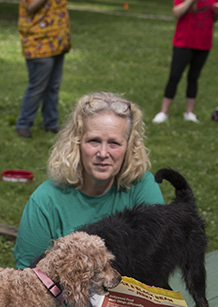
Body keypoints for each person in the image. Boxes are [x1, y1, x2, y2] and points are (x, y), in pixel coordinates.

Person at [13, 91, 164, 270]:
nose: (102, 153)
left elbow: (159, 259)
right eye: (94, 141)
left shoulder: (143, 186)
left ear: (128, 148)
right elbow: (27, 277)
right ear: (76, 143)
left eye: (114, 143)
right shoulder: (45, 201)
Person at [152, 0, 218, 124]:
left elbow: (213, 19)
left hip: (203, 44)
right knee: (174, 76)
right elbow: (176, 13)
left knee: (194, 77)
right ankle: (163, 112)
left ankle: (189, 113)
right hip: (183, 43)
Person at [15, 0, 71, 139]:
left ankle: (51, 123)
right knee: (37, 86)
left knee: (53, 86)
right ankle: (23, 124)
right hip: (39, 43)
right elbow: (30, 7)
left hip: (58, 42)